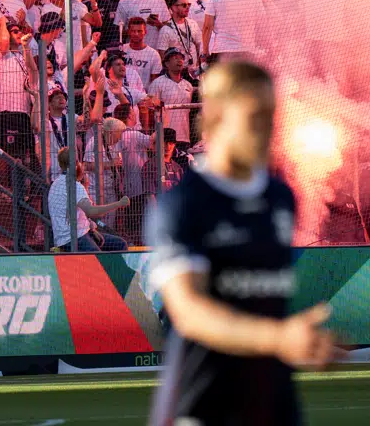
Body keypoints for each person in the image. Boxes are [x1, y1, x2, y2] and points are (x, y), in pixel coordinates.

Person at [144, 59, 336, 426]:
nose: (266, 130)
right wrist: (280, 339)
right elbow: (190, 313)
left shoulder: (281, 198)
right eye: (254, 116)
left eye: (271, 117)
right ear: (216, 116)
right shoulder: (184, 205)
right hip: (205, 405)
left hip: (276, 402)